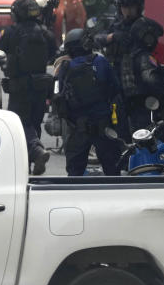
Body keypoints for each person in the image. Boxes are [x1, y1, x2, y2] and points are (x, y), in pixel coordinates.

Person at [0, 0, 56, 174]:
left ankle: (36, 152)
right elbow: (53, 53)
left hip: (19, 87)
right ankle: (32, 160)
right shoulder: (46, 33)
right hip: (41, 88)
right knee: (34, 125)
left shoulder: (11, 32)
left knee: (20, 125)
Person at [95, 0, 164, 135]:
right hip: (117, 83)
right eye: (124, 7)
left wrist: (140, 32)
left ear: (138, 7)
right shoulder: (116, 26)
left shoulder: (143, 25)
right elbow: (97, 39)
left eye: (131, 7)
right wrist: (113, 37)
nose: (127, 11)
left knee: (142, 129)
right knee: (119, 130)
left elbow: (159, 31)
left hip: (138, 85)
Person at [52, 29, 124, 176]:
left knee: (74, 174)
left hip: (77, 129)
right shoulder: (101, 61)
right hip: (103, 127)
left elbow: (58, 97)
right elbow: (116, 88)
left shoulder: (65, 68)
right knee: (113, 171)